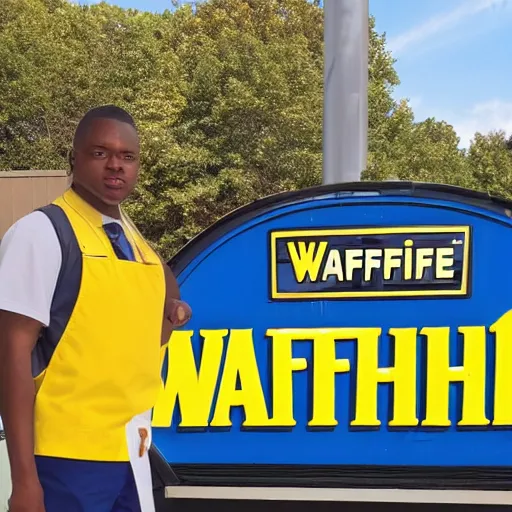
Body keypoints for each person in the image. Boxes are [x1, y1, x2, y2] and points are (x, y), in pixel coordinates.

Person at [0, 105, 191, 512]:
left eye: (127, 157)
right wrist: (24, 482)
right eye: (100, 153)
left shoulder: (132, 240)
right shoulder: (40, 233)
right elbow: (11, 355)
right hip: (63, 460)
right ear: (74, 158)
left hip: (130, 455)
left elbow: (161, 306)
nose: (115, 167)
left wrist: (173, 310)